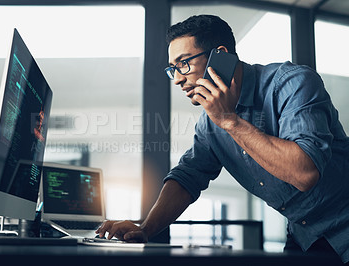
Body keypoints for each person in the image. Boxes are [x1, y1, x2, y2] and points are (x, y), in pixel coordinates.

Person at [96, 15, 349, 263]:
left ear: (221, 56)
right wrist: (146, 228)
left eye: (184, 63)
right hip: (305, 235)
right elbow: (187, 178)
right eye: (172, 69)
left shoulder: (291, 84)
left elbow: (305, 173)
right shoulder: (209, 124)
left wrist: (230, 121)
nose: (177, 79)